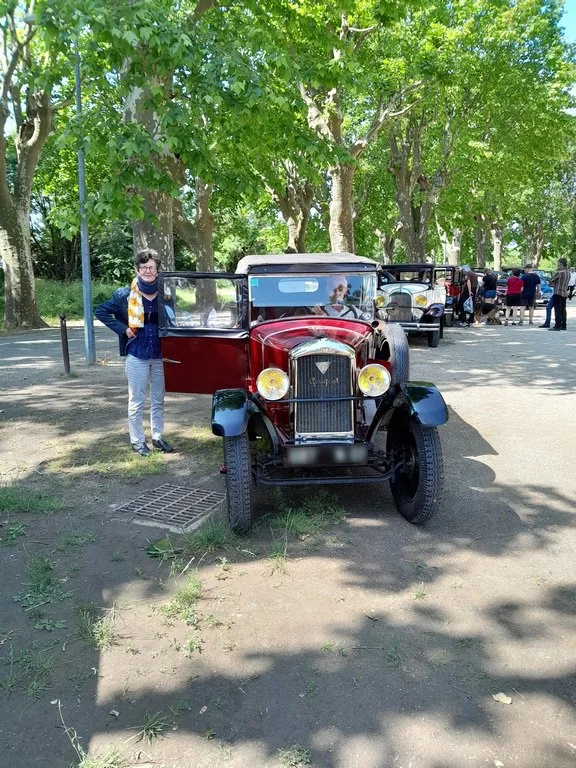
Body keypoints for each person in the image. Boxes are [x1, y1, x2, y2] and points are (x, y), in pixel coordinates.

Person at [95, 248, 174, 456]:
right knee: (137, 401)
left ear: (157, 270)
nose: (148, 271)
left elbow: (173, 319)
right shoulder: (124, 294)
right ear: (137, 270)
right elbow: (101, 311)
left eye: (151, 267)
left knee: (158, 399)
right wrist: (123, 329)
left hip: (160, 355)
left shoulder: (166, 294)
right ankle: (137, 441)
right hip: (137, 354)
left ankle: (157, 437)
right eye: (143, 267)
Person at [548, 257, 570, 331]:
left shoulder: (559, 272)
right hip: (564, 293)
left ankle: (557, 326)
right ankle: (564, 325)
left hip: (557, 293)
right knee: (563, 310)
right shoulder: (568, 272)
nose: (557, 265)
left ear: (561, 264)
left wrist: (553, 283)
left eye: (558, 263)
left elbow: (551, 280)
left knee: (557, 309)